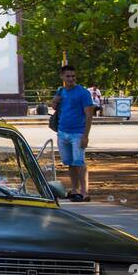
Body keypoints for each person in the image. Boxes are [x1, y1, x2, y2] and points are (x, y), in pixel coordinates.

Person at [51, 64, 96, 201]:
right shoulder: (61, 91)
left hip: (78, 133)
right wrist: (54, 101)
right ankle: (75, 189)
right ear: (62, 77)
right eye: (68, 76)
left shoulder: (83, 93)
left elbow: (89, 115)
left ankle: (84, 191)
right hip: (63, 131)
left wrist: (85, 136)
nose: (71, 79)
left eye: (73, 76)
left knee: (80, 162)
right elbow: (55, 108)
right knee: (70, 162)